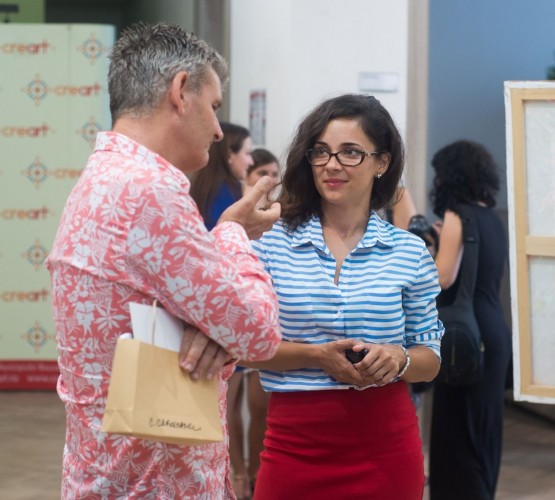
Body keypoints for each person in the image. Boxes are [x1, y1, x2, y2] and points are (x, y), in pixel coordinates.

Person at [45, 22, 282, 499]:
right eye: (213, 106)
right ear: (180, 91)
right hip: (155, 484)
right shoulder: (149, 193)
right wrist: (234, 233)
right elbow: (259, 332)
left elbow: (177, 300)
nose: (218, 130)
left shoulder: (102, 177)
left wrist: (215, 331)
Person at [244, 93, 444, 500]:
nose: (332, 165)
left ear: (381, 162)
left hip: (386, 448)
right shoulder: (271, 243)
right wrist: (316, 356)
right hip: (292, 446)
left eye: (351, 152)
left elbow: (430, 358)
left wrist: (399, 358)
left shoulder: (408, 251)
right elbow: (243, 349)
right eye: (321, 152)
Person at [428, 140, 512, 500]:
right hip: (493, 330)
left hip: (464, 336)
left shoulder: (456, 214)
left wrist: (421, 261)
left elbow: (443, 277)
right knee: (483, 428)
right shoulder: (493, 218)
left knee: (456, 431)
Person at [190, 122, 254, 230]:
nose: (251, 162)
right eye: (247, 153)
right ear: (229, 155)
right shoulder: (235, 194)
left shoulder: (195, 187)